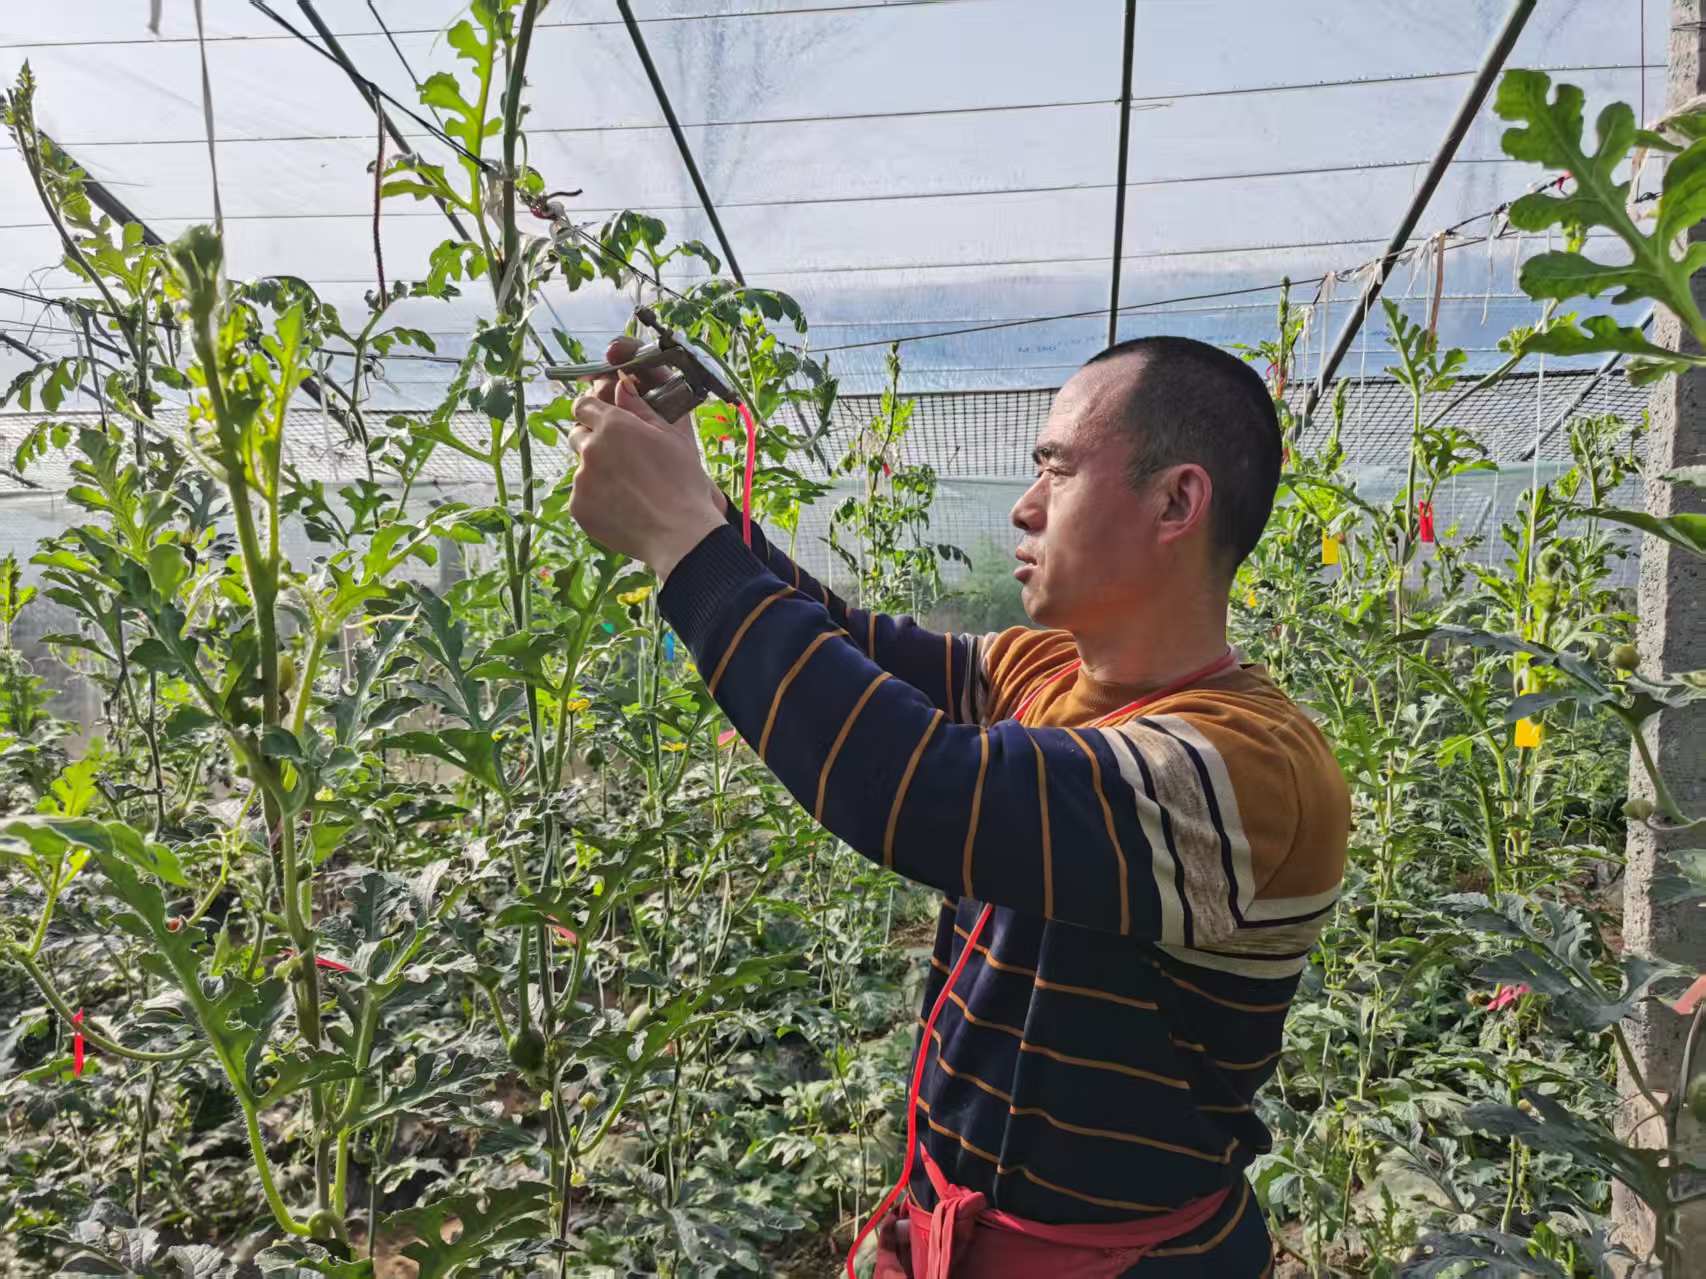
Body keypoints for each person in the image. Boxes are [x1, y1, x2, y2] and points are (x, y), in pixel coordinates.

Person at [567, 334, 1349, 1278]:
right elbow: (847, 645)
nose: (1025, 505)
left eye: (1057, 469)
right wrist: (692, 497)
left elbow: (915, 785)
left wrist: (681, 541)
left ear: (1177, 502)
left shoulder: (1249, 768)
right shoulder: (1043, 670)